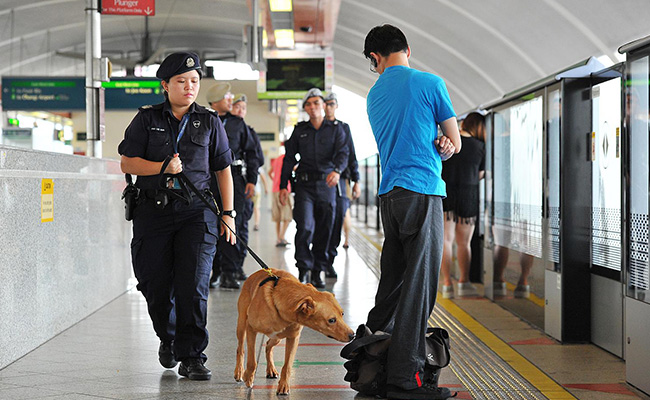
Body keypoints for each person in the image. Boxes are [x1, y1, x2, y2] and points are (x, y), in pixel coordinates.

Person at [118, 52, 235, 381]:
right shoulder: (146, 119)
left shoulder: (210, 121)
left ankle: (192, 355)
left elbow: (223, 170)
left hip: (196, 214)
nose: (189, 87)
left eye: (194, 81)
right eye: (182, 81)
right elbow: (127, 163)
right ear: (165, 85)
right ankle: (168, 337)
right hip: (151, 212)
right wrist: (161, 168)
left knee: (194, 285)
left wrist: (229, 214)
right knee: (154, 284)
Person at [361, 25, 461, 400]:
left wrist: (438, 141)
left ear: (375, 58)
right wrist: (445, 144)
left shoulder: (374, 95)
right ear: (408, 49)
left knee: (393, 285)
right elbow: (454, 141)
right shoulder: (430, 82)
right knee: (419, 289)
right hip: (423, 193)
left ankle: (369, 359)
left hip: (391, 198)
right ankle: (405, 378)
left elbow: (401, 135)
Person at [279, 88, 349, 289]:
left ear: (324, 105)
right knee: (305, 226)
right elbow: (289, 158)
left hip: (327, 186)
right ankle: (303, 267)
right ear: (305, 108)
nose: (312, 107)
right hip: (304, 186)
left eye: (316, 103)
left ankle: (318, 269)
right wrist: (283, 185)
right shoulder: (300, 130)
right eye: (308, 104)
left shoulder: (336, 129)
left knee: (324, 230)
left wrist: (337, 170)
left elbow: (343, 153)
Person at [206, 84, 261, 290]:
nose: (231, 100)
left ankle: (230, 272)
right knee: (210, 225)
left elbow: (253, 154)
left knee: (230, 224)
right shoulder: (204, 121)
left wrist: (251, 180)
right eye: (226, 97)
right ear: (215, 101)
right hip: (208, 180)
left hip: (234, 180)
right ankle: (215, 272)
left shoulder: (239, 125)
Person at [440, 112, 486, 298]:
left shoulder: (449, 141)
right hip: (469, 195)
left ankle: (446, 283)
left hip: (447, 194)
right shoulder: (480, 146)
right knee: (464, 243)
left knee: (446, 240)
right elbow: (481, 174)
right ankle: (463, 281)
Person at [323, 92, 361, 278]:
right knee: (320, 221)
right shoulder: (318, 126)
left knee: (338, 218)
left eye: (332, 104)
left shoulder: (344, 128)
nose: (328, 107)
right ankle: (317, 261)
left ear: (336, 106)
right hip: (320, 181)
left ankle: (329, 259)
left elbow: (351, 155)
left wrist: (356, 181)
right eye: (326, 104)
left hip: (341, 182)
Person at [231, 93, 269, 232]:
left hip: (242, 180)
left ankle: (239, 253)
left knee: (241, 219)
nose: (241, 110)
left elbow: (258, 158)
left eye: (244, 108)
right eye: (237, 107)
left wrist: (251, 180)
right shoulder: (220, 128)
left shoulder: (249, 133)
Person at [269, 149, 293, 246]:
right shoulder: (288, 159)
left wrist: (275, 180)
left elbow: (269, 172)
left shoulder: (277, 159)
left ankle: (278, 238)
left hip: (275, 189)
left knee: (278, 217)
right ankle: (282, 237)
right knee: (288, 215)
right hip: (285, 189)